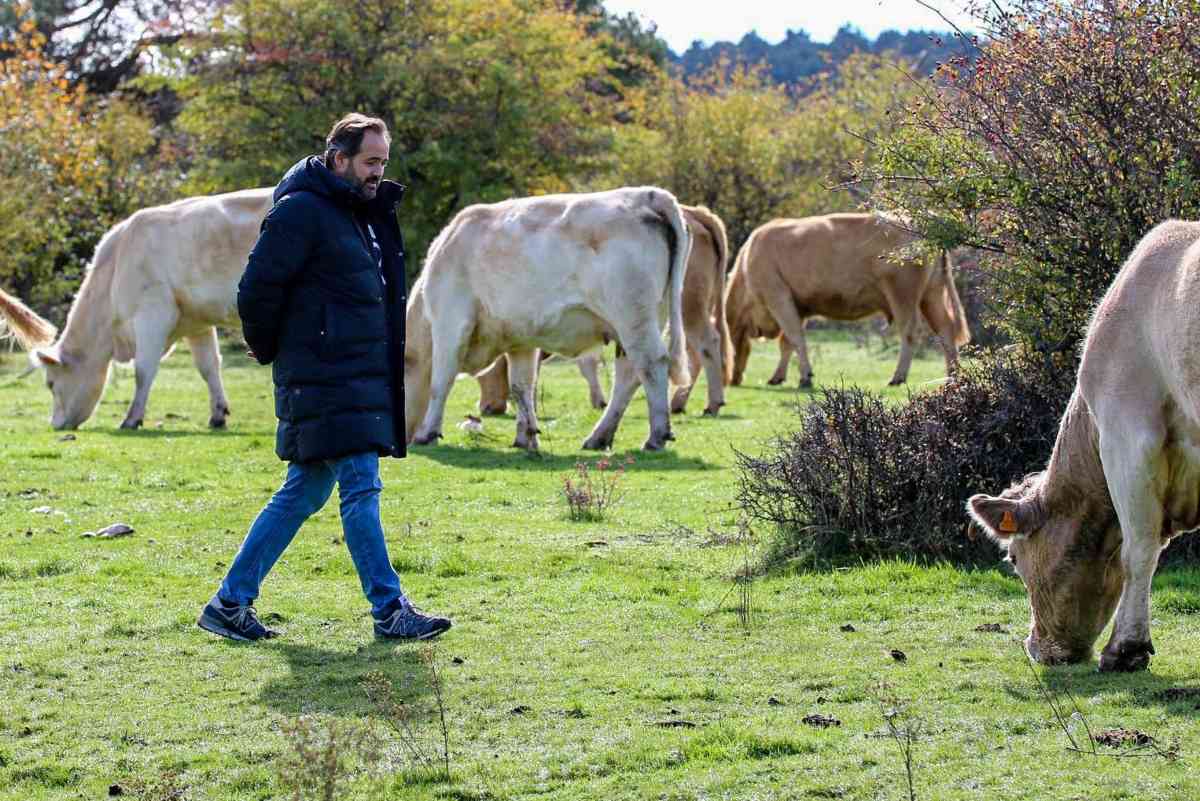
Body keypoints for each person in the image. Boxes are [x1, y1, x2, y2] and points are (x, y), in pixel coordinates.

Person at [198, 113, 451, 642]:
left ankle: (228, 604)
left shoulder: (354, 211)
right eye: (370, 161)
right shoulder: (302, 213)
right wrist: (277, 355)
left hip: (351, 377)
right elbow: (255, 291)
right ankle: (389, 609)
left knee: (305, 491)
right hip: (324, 378)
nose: (378, 171)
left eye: (383, 161)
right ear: (339, 159)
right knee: (361, 485)